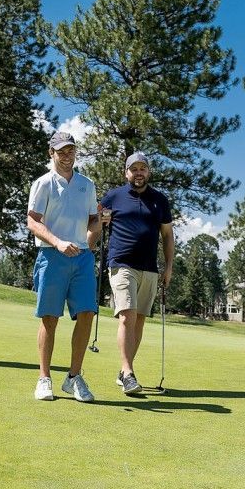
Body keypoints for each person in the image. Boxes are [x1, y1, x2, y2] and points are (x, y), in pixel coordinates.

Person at [26, 131, 102, 402]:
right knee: (50, 317)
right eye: (61, 151)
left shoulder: (87, 184)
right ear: (52, 153)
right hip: (51, 255)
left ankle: (73, 377)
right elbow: (32, 221)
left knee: (87, 314)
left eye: (70, 150)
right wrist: (57, 242)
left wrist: (90, 241)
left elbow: (94, 219)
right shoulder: (43, 183)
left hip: (82, 258)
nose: (66, 155)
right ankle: (44, 378)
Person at [99, 151, 174, 395]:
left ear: (148, 172)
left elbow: (167, 235)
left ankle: (124, 371)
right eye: (134, 169)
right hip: (121, 263)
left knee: (139, 319)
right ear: (126, 172)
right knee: (127, 316)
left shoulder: (160, 201)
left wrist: (169, 266)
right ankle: (129, 372)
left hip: (149, 268)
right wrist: (98, 223)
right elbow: (95, 219)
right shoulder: (113, 196)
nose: (138, 173)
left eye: (142, 168)